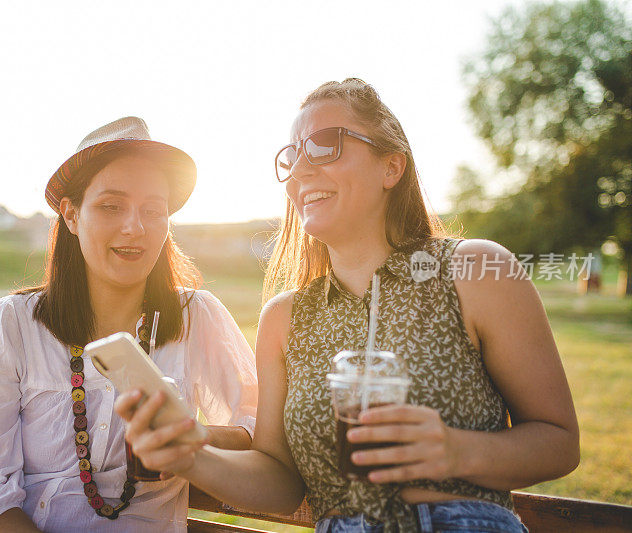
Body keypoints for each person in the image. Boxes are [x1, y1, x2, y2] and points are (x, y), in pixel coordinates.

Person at [116, 80, 580, 532]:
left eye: (325, 145)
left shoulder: (474, 270)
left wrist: (455, 451)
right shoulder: (285, 318)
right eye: (292, 156)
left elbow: (558, 442)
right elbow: (279, 483)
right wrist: (193, 455)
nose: (299, 171)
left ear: (391, 167)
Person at [0, 117, 258, 533]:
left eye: (153, 210)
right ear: (71, 215)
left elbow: (255, 426)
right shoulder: (14, 323)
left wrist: (192, 438)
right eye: (111, 206)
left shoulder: (196, 316)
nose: (135, 227)